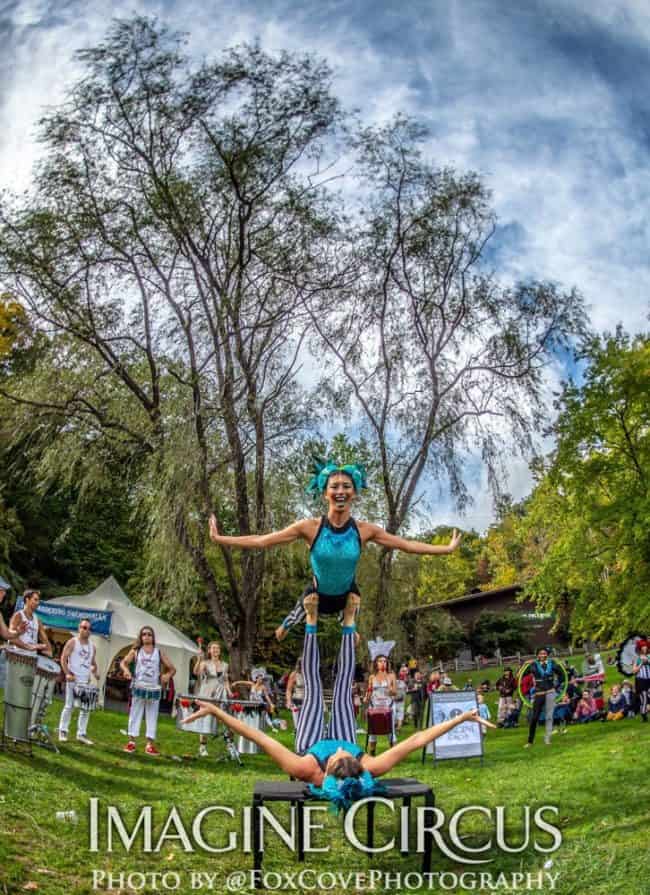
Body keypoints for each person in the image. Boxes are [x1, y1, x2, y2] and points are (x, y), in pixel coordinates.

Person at [182, 594, 493, 810]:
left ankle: (311, 621)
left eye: (337, 757)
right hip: (343, 730)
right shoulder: (369, 765)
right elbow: (416, 740)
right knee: (344, 687)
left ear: (327, 770)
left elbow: (258, 736)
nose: (342, 750)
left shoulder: (306, 768)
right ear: (359, 768)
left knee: (313, 685)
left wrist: (216, 711)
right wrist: (461, 718)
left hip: (311, 742)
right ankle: (348, 621)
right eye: (350, 755)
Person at [207, 460, 461, 640]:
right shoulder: (309, 527)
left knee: (351, 610)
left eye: (346, 486)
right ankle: (287, 624)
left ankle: (349, 626)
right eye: (335, 486)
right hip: (317, 592)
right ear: (325, 493)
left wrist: (445, 549)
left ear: (355, 493)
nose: (340, 491)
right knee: (303, 608)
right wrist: (222, 539)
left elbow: (407, 545)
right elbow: (262, 540)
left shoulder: (364, 530)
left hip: (346, 594)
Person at [121, 626, 176, 755]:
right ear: (141, 637)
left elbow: (172, 668)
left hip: (153, 688)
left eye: (149, 634)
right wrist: (126, 671)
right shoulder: (136, 650)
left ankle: (150, 745)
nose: (146, 636)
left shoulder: (158, 652)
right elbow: (123, 663)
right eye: (144, 634)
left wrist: (167, 676)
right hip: (138, 686)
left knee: (152, 715)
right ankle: (131, 743)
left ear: (153, 637)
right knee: (135, 714)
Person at [58, 619, 99, 745]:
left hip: (85, 680)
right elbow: (63, 658)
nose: (84, 630)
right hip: (73, 679)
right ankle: (63, 730)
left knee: (85, 708)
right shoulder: (72, 642)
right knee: (69, 705)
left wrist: (95, 672)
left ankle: (81, 733)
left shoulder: (92, 647)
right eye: (82, 627)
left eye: (87, 628)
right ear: (78, 628)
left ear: (90, 631)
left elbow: (92, 663)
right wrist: (67, 674)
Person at [193, 641, 232, 756]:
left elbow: (225, 680)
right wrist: (199, 659)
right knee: (205, 718)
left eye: (218, 648)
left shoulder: (225, 665)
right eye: (213, 648)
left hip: (220, 694)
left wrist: (229, 692)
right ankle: (202, 747)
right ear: (209, 651)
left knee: (224, 718)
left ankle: (229, 745)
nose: (216, 650)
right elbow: (196, 672)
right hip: (207, 693)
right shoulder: (205, 663)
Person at [524, 647, 563, 748]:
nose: (543, 655)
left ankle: (547, 739)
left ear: (547, 654)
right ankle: (530, 741)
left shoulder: (552, 664)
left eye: (544, 653)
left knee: (549, 717)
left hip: (550, 692)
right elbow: (521, 675)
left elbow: (562, 675)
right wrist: (524, 665)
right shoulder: (533, 665)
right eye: (540, 653)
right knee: (534, 717)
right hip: (539, 693)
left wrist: (556, 686)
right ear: (537, 655)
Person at [365, 641, 397, 755]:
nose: (382, 663)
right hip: (374, 706)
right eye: (380, 661)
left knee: (390, 731)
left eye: (384, 661)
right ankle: (371, 753)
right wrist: (366, 698)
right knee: (372, 731)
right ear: (375, 663)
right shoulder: (372, 677)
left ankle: (393, 754)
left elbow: (395, 693)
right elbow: (369, 690)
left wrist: (389, 686)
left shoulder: (391, 675)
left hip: (388, 706)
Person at [9, 590, 52, 656]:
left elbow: (44, 638)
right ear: (27, 600)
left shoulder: (37, 620)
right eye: (35, 600)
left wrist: (49, 649)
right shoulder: (18, 615)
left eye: (38, 601)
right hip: (17, 656)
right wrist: (28, 647)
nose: (37, 603)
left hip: (31, 658)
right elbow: (11, 638)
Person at [632, 640, 650, 722]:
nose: (644, 647)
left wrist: (647, 660)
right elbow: (634, 671)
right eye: (643, 646)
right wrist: (641, 663)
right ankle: (643, 715)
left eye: (645, 646)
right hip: (641, 681)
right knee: (644, 698)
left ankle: (644, 712)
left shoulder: (649, 656)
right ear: (640, 648)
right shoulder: (637, 658)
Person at [286, 659, 305, 730]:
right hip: (296, 702)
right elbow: (288, 690)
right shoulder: (294, 674)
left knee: (305, 724)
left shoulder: (310, 675)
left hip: (307, 702)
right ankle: (297, 736)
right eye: (301, 664)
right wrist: (288, 701)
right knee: (297, 725)